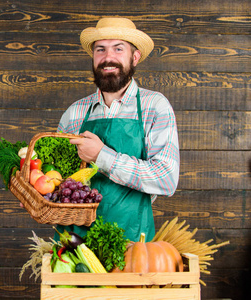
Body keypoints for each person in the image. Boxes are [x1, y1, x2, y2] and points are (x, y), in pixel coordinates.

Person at [56, 17, 180, 242]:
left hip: (133, 245)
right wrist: (37, 191)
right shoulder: (74, 113)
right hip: (75, 246)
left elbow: (166, 179)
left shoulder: (155, 106)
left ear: (135, 57)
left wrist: (101, 156)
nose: (108, 58)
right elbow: (57, 179)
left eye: (118, 48)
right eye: (100, 49)